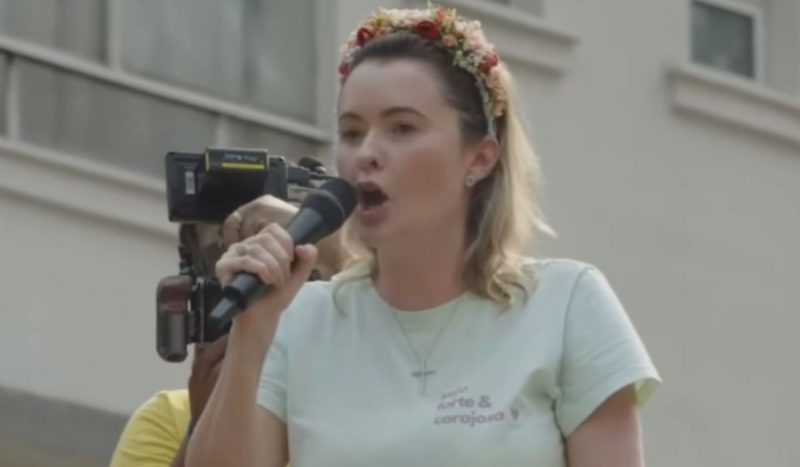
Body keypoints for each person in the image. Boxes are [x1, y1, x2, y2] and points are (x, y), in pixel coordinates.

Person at [187, 5, 661, 467]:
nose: (367, 153)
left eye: (402, 128)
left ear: (480, 158)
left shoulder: (567, 305)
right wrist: (252, 330)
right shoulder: (299, 320)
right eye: (352, 132)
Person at [109, 194, 346, 467]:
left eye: (293, 266)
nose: (256, 285)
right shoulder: (169, 417)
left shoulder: (370, 422)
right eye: (222, 263)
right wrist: (203, 428)